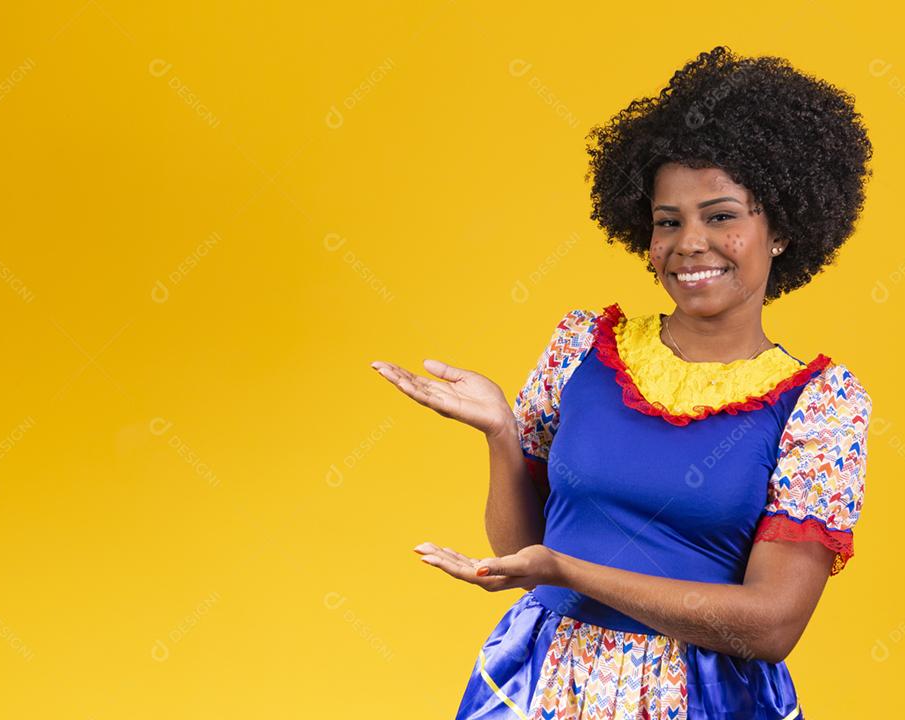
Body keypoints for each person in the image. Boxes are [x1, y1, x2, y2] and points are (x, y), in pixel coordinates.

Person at [371, 45, 873, 719]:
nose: (689, 243)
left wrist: (569, 571)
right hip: (545, 680)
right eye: (668, 222)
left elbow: (770, 626)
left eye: (721, 216)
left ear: (780, 230)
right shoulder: (582, 348)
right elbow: (518, 553)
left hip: (703, 698)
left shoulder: (818, 405)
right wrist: (500, 434)